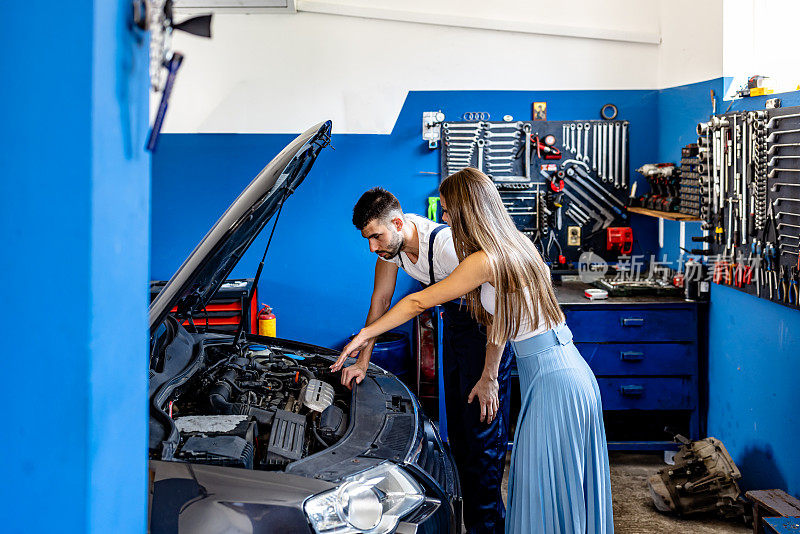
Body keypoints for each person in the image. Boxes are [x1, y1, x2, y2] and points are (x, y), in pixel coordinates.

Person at [331, 170, 614, 534]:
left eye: (448, 210)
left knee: (517, 466)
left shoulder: (475, 257)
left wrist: (488, 376)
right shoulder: (513, 245)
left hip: (551, 375)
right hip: (558, 365)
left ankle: (485, 526)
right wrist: (364, 353)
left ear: (468, 210)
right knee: (552, 482)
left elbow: (421, 302)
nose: (443, 218)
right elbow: (499, 316)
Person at [331, 187, 513, 533]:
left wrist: (490, 375)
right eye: (368, 238)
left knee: (483, 445)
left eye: (376, 236)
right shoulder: (392, 249)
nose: (372, 246)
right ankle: (464, 523)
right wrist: (363, 362)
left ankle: (488, 526)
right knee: (458, 437)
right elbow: (380, 302)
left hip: (487, 340)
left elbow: (498, 314)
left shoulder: (445, 246)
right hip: (457, 337)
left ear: (398, 222)